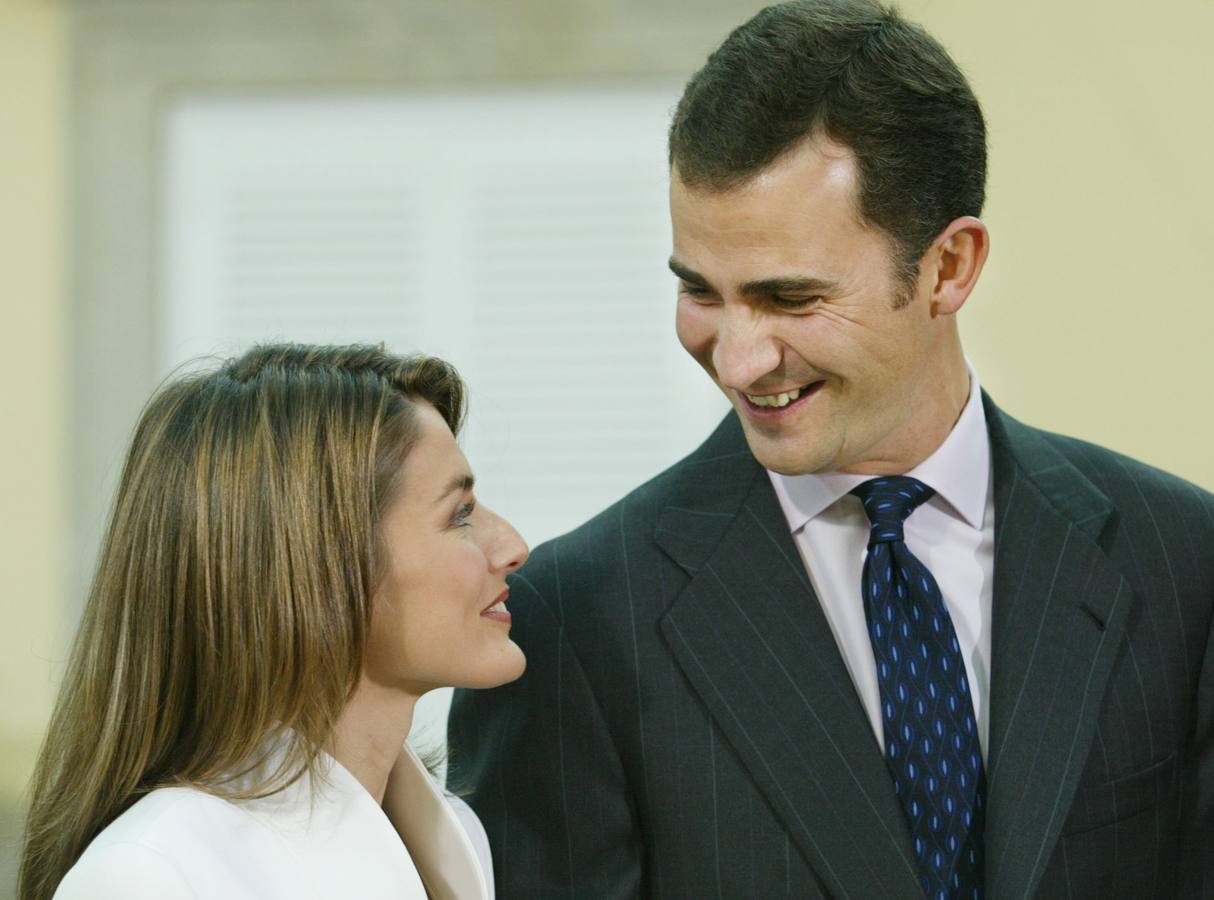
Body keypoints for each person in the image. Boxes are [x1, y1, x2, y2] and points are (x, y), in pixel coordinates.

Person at [447, 1, 1214, 897]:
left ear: (950, 267)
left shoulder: (1184, 563)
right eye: (702, 292)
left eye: (791, 298)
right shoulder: (572, 625)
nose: (738, 360)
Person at [19, 343, 528, 900]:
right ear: (318, 560)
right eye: (459, 514)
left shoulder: (455, 839)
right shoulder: (153, 874)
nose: (513, 547)